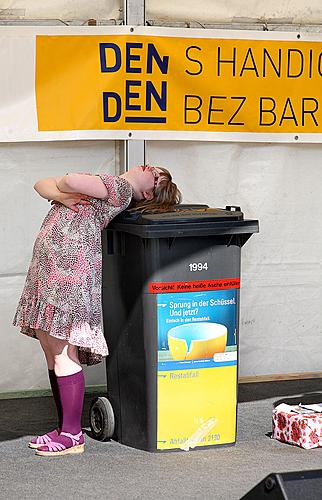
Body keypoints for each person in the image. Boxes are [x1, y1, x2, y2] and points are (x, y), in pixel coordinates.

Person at [13, 165, 181, 457]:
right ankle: (64, 425)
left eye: (154, 176)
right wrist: (62, 196)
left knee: (63, 350)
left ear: (147, 192)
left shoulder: (119, 188)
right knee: (52, 347)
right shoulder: (106, 186)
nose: (148, 168)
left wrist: (62, 188)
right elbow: (41, 183)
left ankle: (71, 434)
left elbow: (66, 179)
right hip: (53, 266)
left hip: (69, 271)